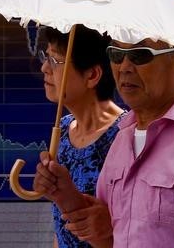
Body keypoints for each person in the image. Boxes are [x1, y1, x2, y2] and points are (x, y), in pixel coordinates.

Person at [34, 37, 174, 248]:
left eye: (140, 55)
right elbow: (108, 239)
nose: (125, 67)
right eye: (117, 54)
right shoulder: (122, 139)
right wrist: (65, 195)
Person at [35, 25, 125, 248]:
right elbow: (61, 228)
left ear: (92, 75)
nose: (44, 68)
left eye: (56, 61)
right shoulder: (64, 129)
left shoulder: (125, 137)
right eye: (46, 57)